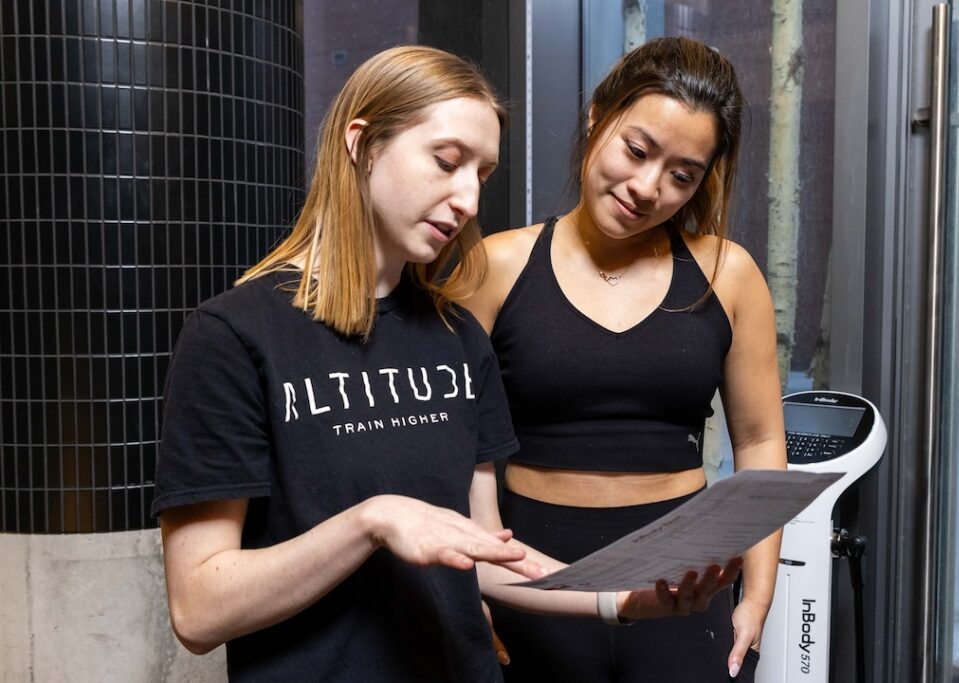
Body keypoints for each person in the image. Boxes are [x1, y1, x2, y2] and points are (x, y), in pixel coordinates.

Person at [154, 44, 739, 682]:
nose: (466, 200)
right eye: (446, 161)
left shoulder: (457, 335)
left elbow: (482, 552)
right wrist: (373, 522)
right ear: (363, 143)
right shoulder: (235, 336)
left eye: (481, 175)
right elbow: (199, 607)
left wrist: (621, 602)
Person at [464, 36, 788, 682]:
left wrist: (758, 592)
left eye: (682, 176)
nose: (647, 187)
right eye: (637, 150)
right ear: (597, 117)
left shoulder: (730, 274)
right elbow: (461, 448)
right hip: (533, 575)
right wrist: (475, 582)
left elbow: (759, 440)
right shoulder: (494, 266)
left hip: (684, 584)